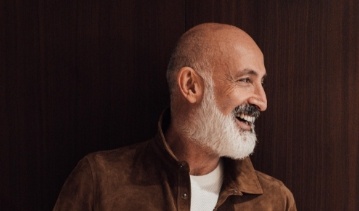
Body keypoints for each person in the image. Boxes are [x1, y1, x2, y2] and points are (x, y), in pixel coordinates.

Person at [53, 23, 296, 210]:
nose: (262, 102)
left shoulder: (276, 200)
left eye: (261, 82)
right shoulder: (99, 181)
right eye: (245, 80)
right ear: (190, 86)